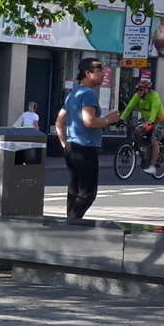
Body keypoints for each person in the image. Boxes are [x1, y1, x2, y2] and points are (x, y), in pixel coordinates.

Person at [54, 58, 121, 221]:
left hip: (72, 147)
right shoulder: (88, 94)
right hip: (85, 149)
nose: (103, 73)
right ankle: (71, 223)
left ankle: (70, 223)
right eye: (99, 71)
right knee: (88, 193)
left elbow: (59, 122)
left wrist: (65, 144)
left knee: (74, 189)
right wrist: (108, 120)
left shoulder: (73, 94)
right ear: (88, 73)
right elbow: (89, 121)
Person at [119, 74, 164, 168]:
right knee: (136, 131)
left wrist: (150, 122)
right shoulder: (137, 96)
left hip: (159, 120)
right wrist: (121, 119)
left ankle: (152, 165)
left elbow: (154, 110)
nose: (138, 92)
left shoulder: (154, 96)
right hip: (146, 120)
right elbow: (129, 108)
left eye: (141, 89)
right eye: (137, 89)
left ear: (147, 90)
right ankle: (144, 154)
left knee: (154, 140)